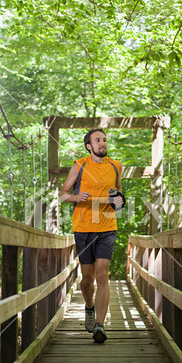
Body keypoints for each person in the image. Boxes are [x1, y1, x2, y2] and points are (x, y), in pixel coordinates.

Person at [60, 129, 125, 343]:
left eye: (104, 140)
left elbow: (119, 196)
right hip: (84, 228)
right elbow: (63, 195)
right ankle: (89, 306)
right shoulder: (79, 165)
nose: (103, 143)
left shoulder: (116, 166)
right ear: (89, 146)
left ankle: (100, 324)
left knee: (102, 274)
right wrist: (77, 197)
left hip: (107, 226)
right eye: (98, 140)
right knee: (87, 279)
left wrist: (119, 202)